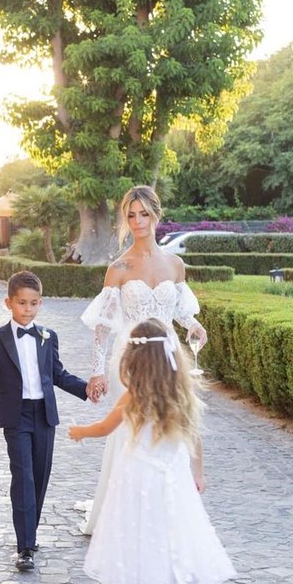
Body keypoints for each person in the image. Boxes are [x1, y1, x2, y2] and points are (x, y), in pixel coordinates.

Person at [79, 185, 208, 534]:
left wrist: (195, 327)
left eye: (144, 214)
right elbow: (103, 328)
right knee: (131, 429)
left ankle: (169, 502)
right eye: (131, 215)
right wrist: (96, 373)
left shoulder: (175, 264)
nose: (138, 221)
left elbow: (180, 311)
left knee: (170, 424)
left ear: (156, 215)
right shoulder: (118, 268)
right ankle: (127, 509)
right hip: (131, 359)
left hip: (168, 357)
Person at [70, 318, 236, 584]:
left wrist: (80, 432)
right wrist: (199, 474)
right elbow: (194, 438)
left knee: (139, 528)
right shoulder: (181, 393)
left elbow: (105, 427)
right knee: (174, 527)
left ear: (134, 360)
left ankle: (142, 573)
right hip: (174, 472)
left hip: (138, 472)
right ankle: (170, 574)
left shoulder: (133, 395)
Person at [0, 270, 89, 572]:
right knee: (23, 478)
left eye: (34, 304)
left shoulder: (48, 336)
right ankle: (24, 546)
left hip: (44, 416)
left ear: (40, 303)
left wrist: (86, 388)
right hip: (16, 418)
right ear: (9, 303)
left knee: (39, 478)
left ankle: (30, 532)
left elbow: (58, 375)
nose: (27, 310)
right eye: (22, 303)